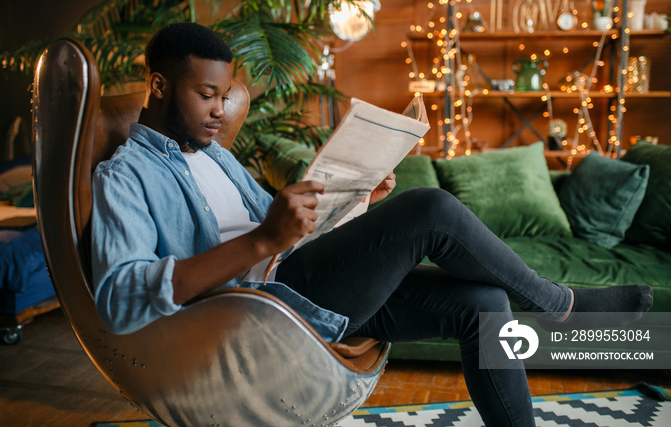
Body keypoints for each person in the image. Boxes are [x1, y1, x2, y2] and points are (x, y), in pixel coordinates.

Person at [91, 22, 653, 427]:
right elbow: (118, 298)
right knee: (429, 207)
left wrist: (355, 200)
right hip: (257, 313)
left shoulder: (216, 155)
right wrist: (266, 238)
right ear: (160, 87)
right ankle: (561, 308)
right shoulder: (124, 176)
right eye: (206, 95)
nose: (220, 111)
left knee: (483, 304)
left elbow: (292, 235)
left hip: (300, 281)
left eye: (224, 96)